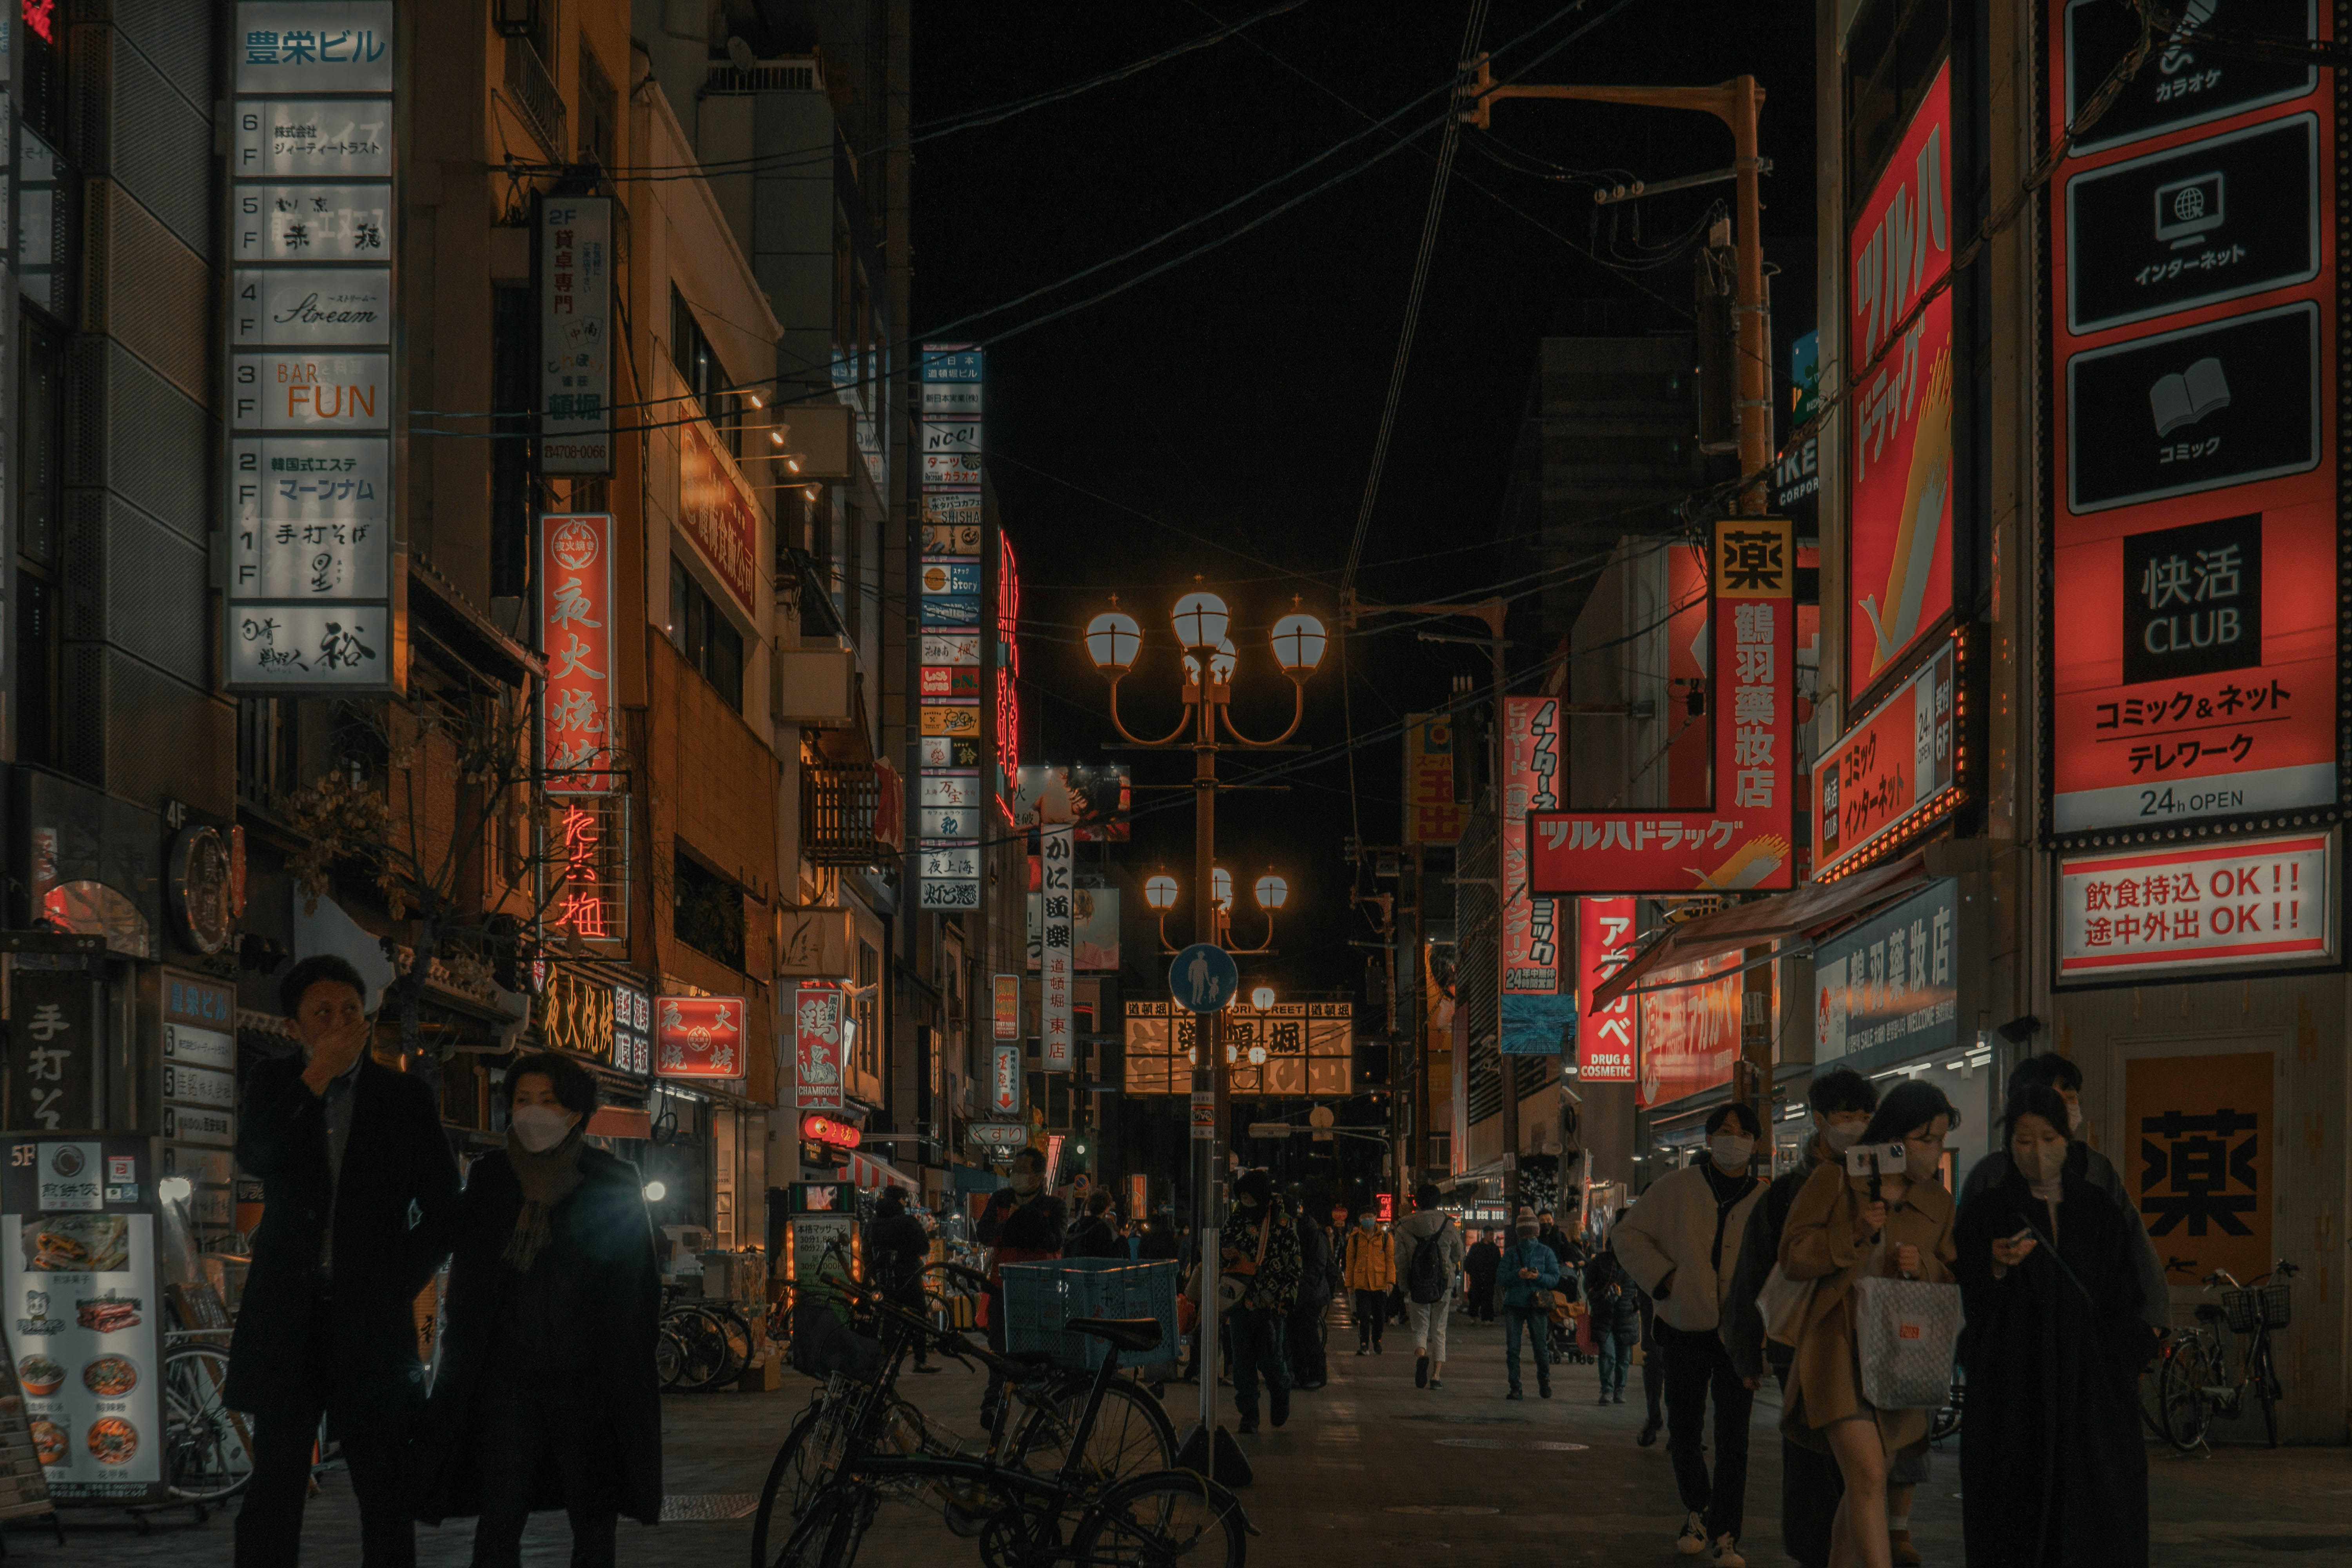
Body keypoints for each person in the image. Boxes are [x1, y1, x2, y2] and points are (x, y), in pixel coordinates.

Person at [224, 956, 458, 1568]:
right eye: (322, 1013)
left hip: (371, 1326)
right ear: (294, 1025)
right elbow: (257, 1156)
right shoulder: (276, 1084)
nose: (338, 1022)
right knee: (276, 1484)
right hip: (288, 1317)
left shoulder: (403, 1097)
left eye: (350, 1011)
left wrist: (393, 1284)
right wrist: (317, 1077)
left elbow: (443, 1211)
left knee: (384, 1488)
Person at [417, 1053, 661, 1565]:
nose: (534, 1112)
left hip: (588, 1383)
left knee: (594, 1520)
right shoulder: (491, 1179)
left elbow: (637, 1287)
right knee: (500, 1515)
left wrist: (627, 1364)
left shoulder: (611, 1180)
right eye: (523, 1100)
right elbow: (455, 1260)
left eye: (548, 1101)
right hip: (508, 1381)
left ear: (576, 1111)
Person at [1955, 1084, 2152, 1568]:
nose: (2037, 1151)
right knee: (2015, 1515)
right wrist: (1995, 1267)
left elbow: (2127, 1292)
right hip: (2014, 1393)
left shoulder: (2099, 1209)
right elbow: (1965, 1299)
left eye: (2048, 1138)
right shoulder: (1987, 1210)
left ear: (2067, 1139)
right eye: (2024, 1140)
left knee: (2097, 1513)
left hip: (2093, 1393)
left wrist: (2123, 1362)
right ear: (2009, 1145)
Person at [1779, 1080, 1960, 1568]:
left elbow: (1952, 1273)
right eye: (1925, 1139)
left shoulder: (1939, 1204)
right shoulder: (1835, 1181)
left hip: (1902, 1357)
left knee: (1871, 1474)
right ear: (1893, 1136)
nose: (1933, 1151)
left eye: (1940, 1140)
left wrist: (1923, 1265)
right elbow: (1793, 1255)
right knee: (1867, 1476)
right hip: (1836, 1349)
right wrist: (1855, 1231)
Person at [1723, 1067, 1879, 1568]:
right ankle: (1818, 1556)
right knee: (1814, 1464)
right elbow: (1755, 1272)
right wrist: (1746, 1350)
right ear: (1819, 1120)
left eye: (1865, 1116)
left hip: (1874, 1344)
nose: (1857, 1125)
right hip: (1807, 1345)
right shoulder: (1789, 1193)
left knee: (1865, 1469)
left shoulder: (1885, 1185)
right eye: (1845, 1116)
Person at [1613, 1103, 1767, 1565]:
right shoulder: (1675, 1188)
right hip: (1684, 1327)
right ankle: (1697, 1507)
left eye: (1741, 1133)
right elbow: (1628, 1236)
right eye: (1723, 1130)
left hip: (1740, 1334)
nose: (1731, 1139)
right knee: (1683, 1430)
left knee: (1734, 1437)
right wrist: (1667, 1279)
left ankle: (1727, 1532)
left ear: (1756, 1143)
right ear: (1708, 1139)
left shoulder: (1766, 1199)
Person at [1958, 1051, 2167, 1332]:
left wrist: (2152, 1320)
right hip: (2015, 1332)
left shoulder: (2095, 1168)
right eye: (2059, 1096)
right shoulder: (1993, 1176)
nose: (2069, 1105)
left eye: (2072, 1095)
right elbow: (1964, 1253)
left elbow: (2132, 1243)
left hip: (2090, 1334)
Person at [977, 1147, 1065, 1421]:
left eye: (1023, 1171)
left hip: (1040, 1291)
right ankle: (993, 1408)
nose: (1016, 1176)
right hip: (1002, 1288)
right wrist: (1016, 1225)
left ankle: (1041, 1415)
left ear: (1039, 1177)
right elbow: (984, 1234)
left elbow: (1054, 1241)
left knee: (1038, 1356)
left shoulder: (1054, 1206)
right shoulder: (1000, 1199)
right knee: (999, 1351)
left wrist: (1025, 1220)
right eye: (1014, 1170)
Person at [1223, 1171, 1302, 1435]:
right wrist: (1227, 1254)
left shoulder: (1283, 1223)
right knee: (1242, 1362)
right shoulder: (1234, 1221)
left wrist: (1286, 1300)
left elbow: (1293, 1266)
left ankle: (1281, 1390)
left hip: (1271, 1304)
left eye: (1249, 1197)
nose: (1245, 1201)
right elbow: (1220, 1250)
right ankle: (1249, 1415)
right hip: (1239, 1302)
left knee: (1271, 1359)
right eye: (1241, 1197)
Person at [1393, 1183, 1464, 1388]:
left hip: (1417, 1285)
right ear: (1438, 1201)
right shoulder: (1448, 1224)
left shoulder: (1404, 1226)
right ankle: (1436, 1377)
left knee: (1420, 1328)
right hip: (1443, 1283)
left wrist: (1405, 1286)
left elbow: (1400, 1260)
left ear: (1417, 1202)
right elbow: (1459, 1254)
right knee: (1440, 1330)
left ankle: (1421, 1355)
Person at [867, 1186, 939, 1372]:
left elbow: (868, 1252)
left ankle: (887, 1363)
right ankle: (920, 1360)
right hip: (908, 1277)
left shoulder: (873, 1223)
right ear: (901, 1201)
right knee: (917, 1316)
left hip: (884, 1279)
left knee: (890, 1317)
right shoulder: (907, 1222)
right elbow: (924, 1247)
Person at [1495, 1207, 1562, 1400]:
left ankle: (1516, 1388)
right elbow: (1555, 1278)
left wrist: (1525, 1276)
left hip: (1515, 1305)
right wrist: (1536, 1277)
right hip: (1536, 1306)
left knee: (1513, 1348)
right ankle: (1544, 1384)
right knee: (1540, 1346)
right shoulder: (1546, 1252)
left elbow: (1500, 1278)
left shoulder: (1510, 1253)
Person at [1584, 1246, 1642, 1404]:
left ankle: (1619, 1390)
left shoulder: (1635, 1262)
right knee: (1608, 1355)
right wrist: (1596, 1296)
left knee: (1623, 1358)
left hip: (1626, 1316)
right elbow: (1588, 1283)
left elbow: (1644, 1286)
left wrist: (1636, 1303)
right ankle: (1607, 1390)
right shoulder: (1601, 1262)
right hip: (1604, 1315)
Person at [1288, 1196, 1334, 1389]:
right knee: (1298, 1334)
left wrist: (1297, 1280)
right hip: (1307, 1291)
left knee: (1307, 1335)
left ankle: (1316, 1374)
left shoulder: (1311, 1236)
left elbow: (1316, 1267)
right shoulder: (1308, 1233)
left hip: (1310, 1293)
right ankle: (1303, 1374)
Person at [1343, 1210, 1395, 1354]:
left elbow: (1390, 1260)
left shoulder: (1386, 1237)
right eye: (1364, 1217)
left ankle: (1377, 1340)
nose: (1367, 1220)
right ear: (1360, 1219)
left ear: (1375, 1218)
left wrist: (1390, 1282)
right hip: (1361, 1283)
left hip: (1380, 1283)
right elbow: (1350, 1262)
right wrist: (1349, 1284)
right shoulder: (1355, 1238)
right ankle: (1364, 1344)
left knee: (1380, 1316)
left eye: (1370, 1217)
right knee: (1364, 1315)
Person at [1065, 1186, 1123, 1258]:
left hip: (1076, 1267)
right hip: (1093, 1268)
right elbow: (1110, 1256)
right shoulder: (1103, 1229)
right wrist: (1122, 1239)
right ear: (1106, 1209)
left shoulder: (1075, 1226)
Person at [1464, 1227, 1502, 1323]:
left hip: (1488, 1277)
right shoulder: (1491, 1249)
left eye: (1492, 1234)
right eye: (1490, 1234)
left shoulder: (1491, 1249)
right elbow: (1469, 1262)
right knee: (1476, 1297)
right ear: (1485, 1235)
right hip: (1479, 1277)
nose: (1492, 1237)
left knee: (1487, 1298)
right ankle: (1477, 1316)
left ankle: (1484, 1317)